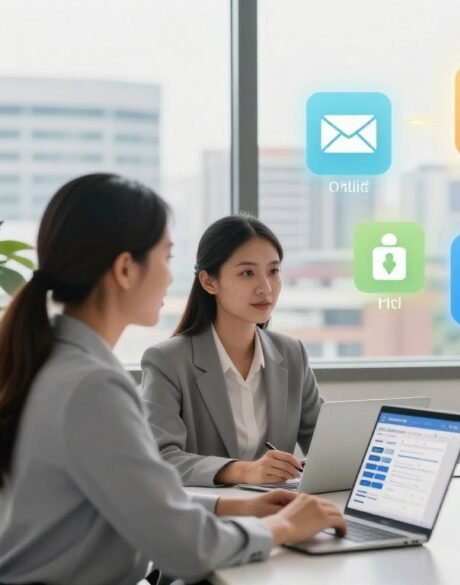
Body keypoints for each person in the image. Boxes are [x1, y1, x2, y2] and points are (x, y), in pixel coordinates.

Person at [0, 174, 345, 585]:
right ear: (126, 269)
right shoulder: (91, 386)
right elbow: (183, 547)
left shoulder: (57, 361)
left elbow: (144, 501)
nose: (169, 276)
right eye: (166, 258)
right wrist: (284, 528)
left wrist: (237, 508)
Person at [142, 215, 323, 487]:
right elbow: (161, 458)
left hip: (279, 512)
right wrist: (243, 471)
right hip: (208, 518)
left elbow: (327, 444)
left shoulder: (292, 353)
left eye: (273, 271)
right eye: (247, 273)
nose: (265, 287)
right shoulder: (168, 361)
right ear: (209, 282)